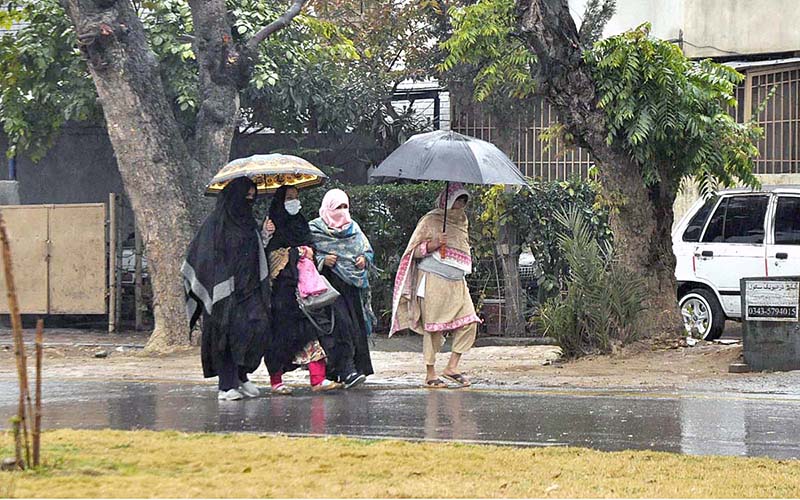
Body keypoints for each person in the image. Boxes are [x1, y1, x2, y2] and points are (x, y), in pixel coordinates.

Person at [182, 177, 270, 401]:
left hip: (250, 288)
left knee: (257, 329)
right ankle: (227, 385)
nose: (249, 201)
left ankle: (242, 375)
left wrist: (265, 234)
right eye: (246, 196)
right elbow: (201, 255)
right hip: (224, 293)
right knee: (227, 336)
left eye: (253, 197)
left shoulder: (249, 222)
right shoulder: (215, 224)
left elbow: (256, 252)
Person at [389, 183, 479, 388]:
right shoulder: (430, 220)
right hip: (433, 279)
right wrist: (434, 244)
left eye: (463, 202)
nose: (460, 206)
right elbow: (414, 252)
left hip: (457, 281)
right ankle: (430, 373)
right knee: (434, 327)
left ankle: (452, 367)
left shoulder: (462, 222)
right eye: (457, 201)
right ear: (446, 201)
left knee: (470, 322)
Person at [262, 185, 342, 394]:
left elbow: (311, 247)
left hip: (304, 290)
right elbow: (268, 259)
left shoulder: (300, 222)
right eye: (289, 198)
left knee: (310, 332)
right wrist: (269, 237)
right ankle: (276, 381)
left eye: (296, 197)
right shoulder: (271, 224)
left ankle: (317, 379)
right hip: (282, 295)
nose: (294, 202)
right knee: (281, 337)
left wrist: (308, 251)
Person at [309, 189, 375, 388]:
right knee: (340, 327)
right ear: (328, 207)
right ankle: (346, 370)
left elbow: (367, 250)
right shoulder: (315, 229)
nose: (342, 211)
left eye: (345, 207)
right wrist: (322, 260)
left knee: (355, 327)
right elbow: (305, 255)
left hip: (351, 287)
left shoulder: (353, 229)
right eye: (338, 207)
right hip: (328, 287)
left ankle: (354, 369)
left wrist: (364, 260)